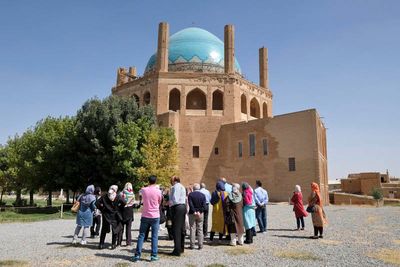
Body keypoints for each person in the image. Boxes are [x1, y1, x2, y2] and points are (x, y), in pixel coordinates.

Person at [132, 175, 162, 262]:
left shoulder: (144, 190)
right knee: (154, 236)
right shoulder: (158, 191)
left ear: (148, 181)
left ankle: (137, 255)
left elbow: (140, 194)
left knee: (141, 235)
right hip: (155, 215)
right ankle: (154, 255)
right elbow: (159, 202)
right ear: (156, 181)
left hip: (145, 214)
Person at [96, 185, 126, 249]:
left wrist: (102, 209)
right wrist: (119, 207)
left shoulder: (104, 196)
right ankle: (113, 244)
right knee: (114, 230)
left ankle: (101, 244)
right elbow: (124, 202)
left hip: (106, 214)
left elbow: (97, 203)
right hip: (114, 215)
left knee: (103, 229)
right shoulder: (118, 196)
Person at [169, 176, 187, 256]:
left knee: (176, 229)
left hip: (177, 207)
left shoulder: (175, 187)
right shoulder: (182, 186)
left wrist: (169, 203)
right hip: (182, 206)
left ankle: (177, 250)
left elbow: (175, 199)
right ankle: (181, 248)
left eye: (171, 180)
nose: (170, 181)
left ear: (174, 180)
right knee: (182, 228)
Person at [188, 183, 207, 250]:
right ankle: (200, 245)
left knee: (192, 229)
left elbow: (190, 204)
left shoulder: (190, 195)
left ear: (193, 188)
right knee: (200, 229)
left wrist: (194, 211)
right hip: (200, 214)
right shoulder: (203, 195)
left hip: (192, 214)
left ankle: (192, 245)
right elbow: (204, 206)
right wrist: (199, 211)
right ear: (199, 188)